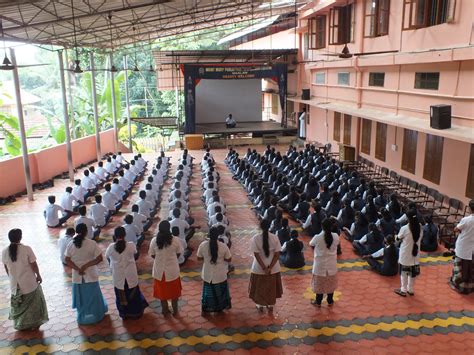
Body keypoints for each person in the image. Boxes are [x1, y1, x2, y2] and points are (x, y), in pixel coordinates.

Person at [2, 229, 49, 330]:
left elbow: (6, 267)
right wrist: (38, 275)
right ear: (20, 237)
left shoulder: (5, 251)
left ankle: (22, 325)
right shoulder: (26, 249)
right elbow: (34, 264)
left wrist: (12, 278)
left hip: (15, 285)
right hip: (29, 283)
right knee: (34, 304)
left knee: (19, 305)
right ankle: (33, 324)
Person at [64, 223, 108, 324]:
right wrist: (86, 265)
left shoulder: (71, 244)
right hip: (90, 275)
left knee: (82, 298)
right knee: (93, 296)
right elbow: (99, 259)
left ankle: (83, 316)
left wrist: (77, 268)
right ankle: (96, 314)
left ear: (76, 231)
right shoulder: (92, 243)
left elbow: (67, 259)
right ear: (86, 232)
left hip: (78, 276)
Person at [105, 227, 149, 319]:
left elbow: (107, 257)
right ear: (125, 235)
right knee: (133, 294)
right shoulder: (131, 245)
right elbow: (135, 253)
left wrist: (113, 264)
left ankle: (123, 314)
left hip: (118, 276)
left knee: (121, 295)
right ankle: (136, 313)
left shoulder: (111, 247)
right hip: (130, 275)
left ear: (115, 236)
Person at [148, 221, 184, 315]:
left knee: (162, 293)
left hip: (160, 272)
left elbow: (152, 255)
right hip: (172, 271)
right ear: (169, 228)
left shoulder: (154, 240)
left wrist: (160, 259)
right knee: (174, 293)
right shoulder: (175, 240)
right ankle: (175, 311)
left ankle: (165, 310)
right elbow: (179, 253)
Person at [248, 219, 283, 312]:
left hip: (259, 268)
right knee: (271, 288)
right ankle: (270, 305)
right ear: (269, 227)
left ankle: (260, 305)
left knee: (259, 288)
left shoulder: (255, 238)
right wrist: (270, 267)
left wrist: (264, 268)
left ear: (260, 227)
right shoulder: (275, 237)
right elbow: (277, 255)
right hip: (273, 269)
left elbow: (256, 254)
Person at [197, 227, 232, 314]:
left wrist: (206, 258)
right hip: (220, 274)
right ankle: (220, 308)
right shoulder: (223, 246)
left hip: (207, 274)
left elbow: (198, 258)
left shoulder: (203, 245)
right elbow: (229, 259)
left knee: (208, 293)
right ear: (218, 235)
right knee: (220, 292)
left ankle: (208, 307)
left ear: (208, 235)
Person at [309, 219, 339, 307]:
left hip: (320, 265)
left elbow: (311, 244)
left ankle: (318, 302)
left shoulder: (317, 237)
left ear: (322, 227)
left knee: (319, 284)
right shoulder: (336, 236)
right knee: (330, 283)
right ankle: (330, 300)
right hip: (331, 264)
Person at [394, 210, 422, 297]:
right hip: (415, 254)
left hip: (405, 254)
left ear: (408, 218)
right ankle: (410, 289)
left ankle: (403, 289)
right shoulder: (420, 227)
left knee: (404, 272)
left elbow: (398, 239)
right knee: (412, 273)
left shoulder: (405, 228)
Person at [449, 200, 474, 294]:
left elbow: (456, 229)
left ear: (470, 208)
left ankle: (458, 285)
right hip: (472, 249)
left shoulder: (466, 219)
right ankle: (470, 287)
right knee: (470, 269)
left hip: (463, 248)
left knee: (460, 269)